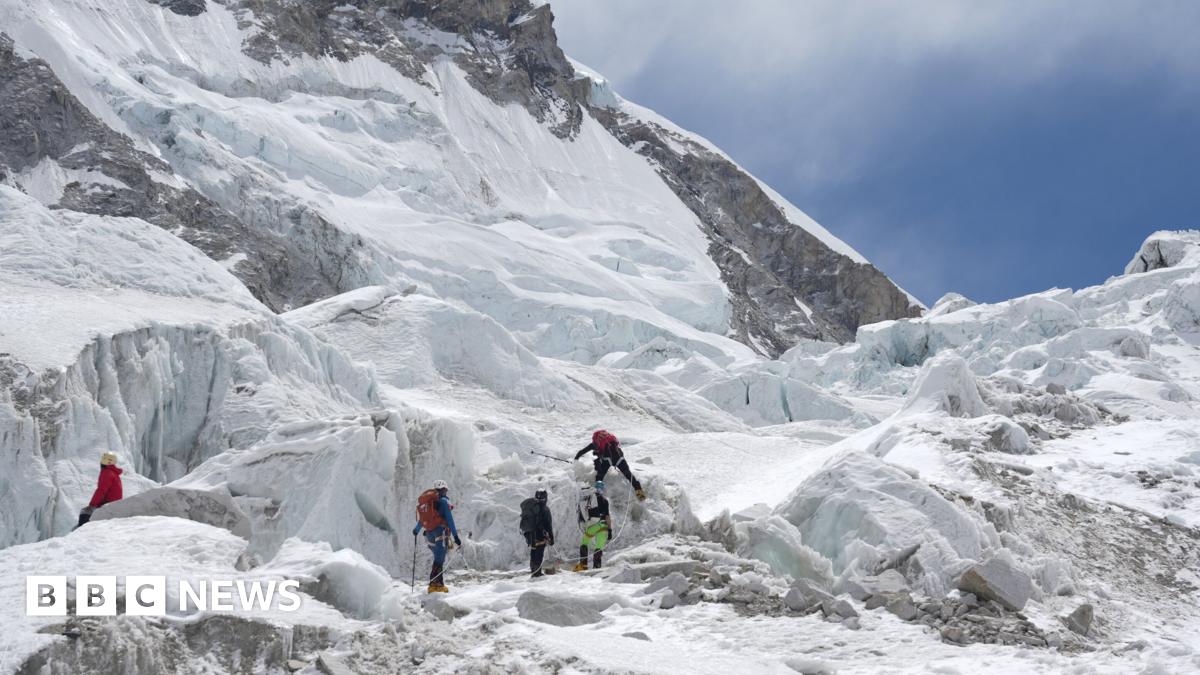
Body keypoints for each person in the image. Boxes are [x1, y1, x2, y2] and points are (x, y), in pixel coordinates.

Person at [412, 479, 461, 593]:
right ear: (444, 490)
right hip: (440, 532)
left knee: (439, 558)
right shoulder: (443, 502)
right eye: (445, 490)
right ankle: (434, 585)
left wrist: (416, 530)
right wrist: (456, 536)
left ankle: (439, 585)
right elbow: (449, 519)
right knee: (440, 558)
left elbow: (423, 519)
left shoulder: (430, 504)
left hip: (429, 534)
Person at [574, 430, 646, 500]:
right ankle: (639, 492)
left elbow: (581, 452)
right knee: (628, 475)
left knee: (599, 476)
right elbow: (620, 452)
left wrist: (576, 460)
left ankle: (599, 493)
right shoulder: (612, 442)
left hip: (606, 462)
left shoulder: (595, 444)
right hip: (620, 460)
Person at [76, 451, 123, 528]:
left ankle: (81, 531)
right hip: (113, 503)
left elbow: (101, 491)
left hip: (109, 504)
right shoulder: (113, 473)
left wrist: (92, 505)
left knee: (84, 512)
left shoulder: (107, 473)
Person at [574, 480, 612, 572]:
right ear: (602, 489)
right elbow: (607, 516)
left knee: (584, 543)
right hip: (602, 526)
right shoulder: (605, 501)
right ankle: (596, 567)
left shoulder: (590, 498)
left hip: (592, 526)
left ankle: (583, 565)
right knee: (599, 546)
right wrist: (610, 530)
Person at [519, 488, 554, 577]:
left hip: (530, 533)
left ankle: (533, 570)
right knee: (539, 552)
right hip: (539, 534)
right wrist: (551, 537)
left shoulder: (532, 507)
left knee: (533, 551)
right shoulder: (545, 509)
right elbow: (548, 525)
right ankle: (537, 573)